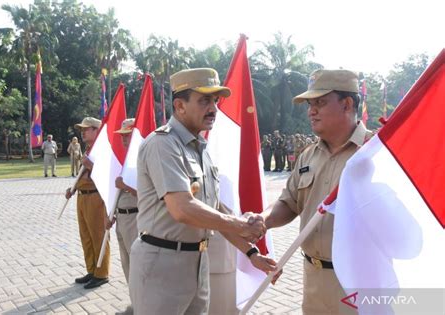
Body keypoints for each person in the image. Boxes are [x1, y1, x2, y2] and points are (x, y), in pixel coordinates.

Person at [129, 68, 277, 315]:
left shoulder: (200, 149)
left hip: (197, 262)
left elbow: (213, 211)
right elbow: (183, 208)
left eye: (215, 101)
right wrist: (240, 224)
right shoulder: (163, 144)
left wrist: (251, 253)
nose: (213, 108)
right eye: (204, 100)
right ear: (180, 105)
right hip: (162, 264)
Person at [262, 69, 373, 315]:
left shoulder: (376, 154)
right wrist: (263, 220)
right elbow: (289, 203)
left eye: (320, 103)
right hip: (314, 280)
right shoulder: (308, 155)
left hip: (361, 283)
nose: (311, 111)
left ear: (346, 104)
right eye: (310, 104)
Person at [65, 117, 110, 289]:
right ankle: (92, 270)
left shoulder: (104, 150)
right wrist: (73, 187)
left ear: (97, 130)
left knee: (98, 236)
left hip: (96, 198)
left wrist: (91, 165)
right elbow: (83, 176)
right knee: (86, 236)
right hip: (82, 197)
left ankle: (102, 273)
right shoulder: (89, 149)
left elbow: (107, 175)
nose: (82, 132)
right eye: (81, 129)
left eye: (86, 129)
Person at [107, 118, 139, 315]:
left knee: (138, 267)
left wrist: (126, 185)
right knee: (127, 265)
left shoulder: (140, 159)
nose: (124, 140)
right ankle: (136, 304)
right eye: (122, 136)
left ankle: (142, 306)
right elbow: (114, 189)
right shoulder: (123, 160)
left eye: (127, 136)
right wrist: (109, 214)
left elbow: (151, 194)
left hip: (136, 218)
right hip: (121, 217)